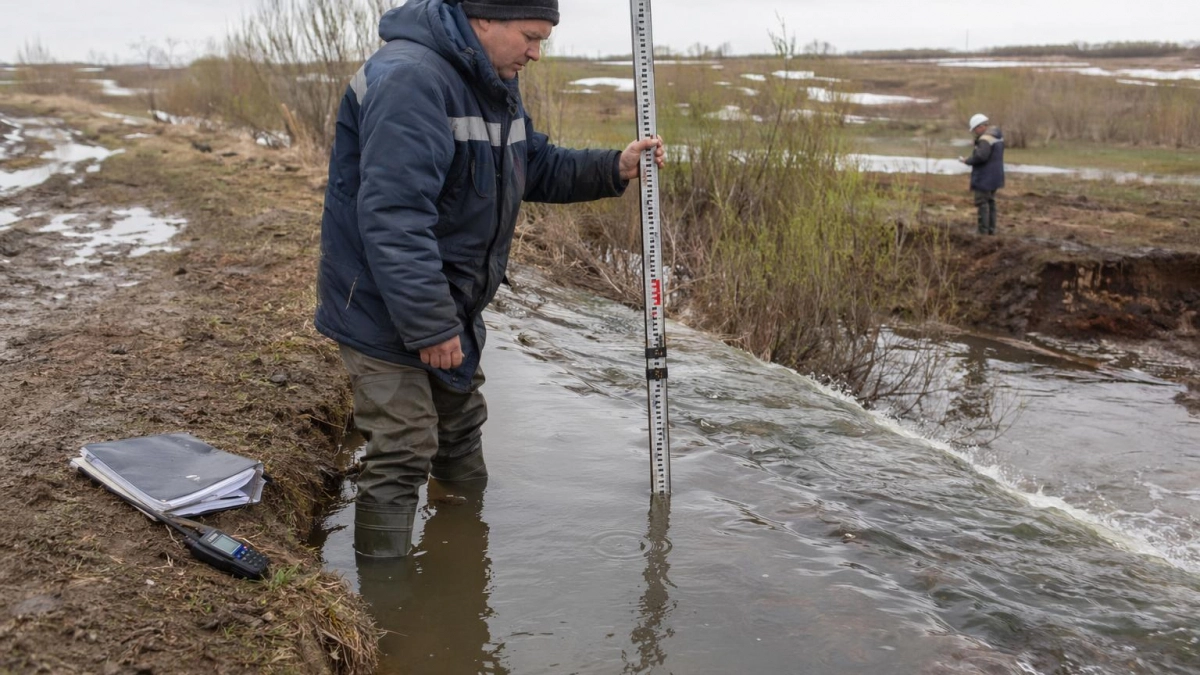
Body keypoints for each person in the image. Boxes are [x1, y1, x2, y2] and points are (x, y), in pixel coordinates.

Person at [314, 0, 666, 558]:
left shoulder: (490, 79)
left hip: (449, 303)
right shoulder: (412, 80)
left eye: (542, 38)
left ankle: (461, 555)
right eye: (530, 36)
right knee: (404, 447)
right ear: (484, 20)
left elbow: (534, 164)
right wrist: (431, 327)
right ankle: (392, 608)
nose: (536, 51)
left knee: (459, 431)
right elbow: (395, 218)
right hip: (382, 306)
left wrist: (613, 167)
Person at [959, 113, 1005, 235]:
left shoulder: (985, 139)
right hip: (996, 176)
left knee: (982, 203)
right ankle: (991, 230)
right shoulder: (997, 136)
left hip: (985, 177)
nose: (975, 132)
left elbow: (981, 157)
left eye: (975, 129)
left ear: (980, 127)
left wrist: (967, 161)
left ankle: (982, 231)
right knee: (991, 202)